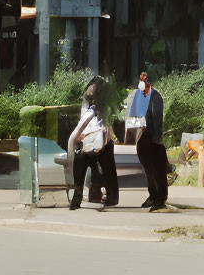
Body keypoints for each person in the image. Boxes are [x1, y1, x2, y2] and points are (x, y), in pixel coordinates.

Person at [66, 77, 118, 210]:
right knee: (99, 167)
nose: (90, 91)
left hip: (98, 140)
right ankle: (93, 194)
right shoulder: (90, 104)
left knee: (104, 168)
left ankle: (104, 195)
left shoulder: (99, 107)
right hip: (91, 139)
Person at [124, 69, 168, 209]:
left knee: (156, 169)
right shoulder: (135, 95)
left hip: (150, 137)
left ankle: (159, 198)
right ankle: (154, 195)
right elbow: (128, 117)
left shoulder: (155, 96)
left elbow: (157, 119)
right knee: (149, 168)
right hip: (141, 137)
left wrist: (157, 139)